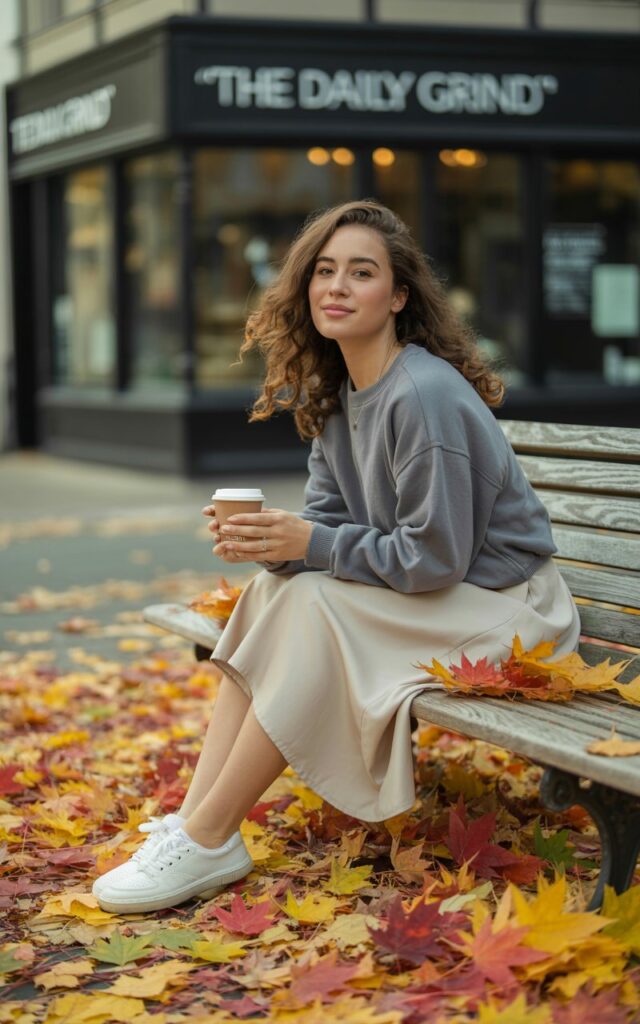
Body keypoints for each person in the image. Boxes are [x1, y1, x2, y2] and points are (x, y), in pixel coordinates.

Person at [92, 199, 581, 914]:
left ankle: (208, 835)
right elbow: (326, 527)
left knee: (314, 605)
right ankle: (197, 826)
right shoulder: (344, 393)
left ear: (399, 297)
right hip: (441, 598)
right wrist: (272, 544)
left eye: (362, 272)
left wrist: (312, 547)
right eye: (324, 271)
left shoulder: (422, 396)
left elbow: (435, 556)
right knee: (274, 594)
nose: (337, 287)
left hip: (509, 610)